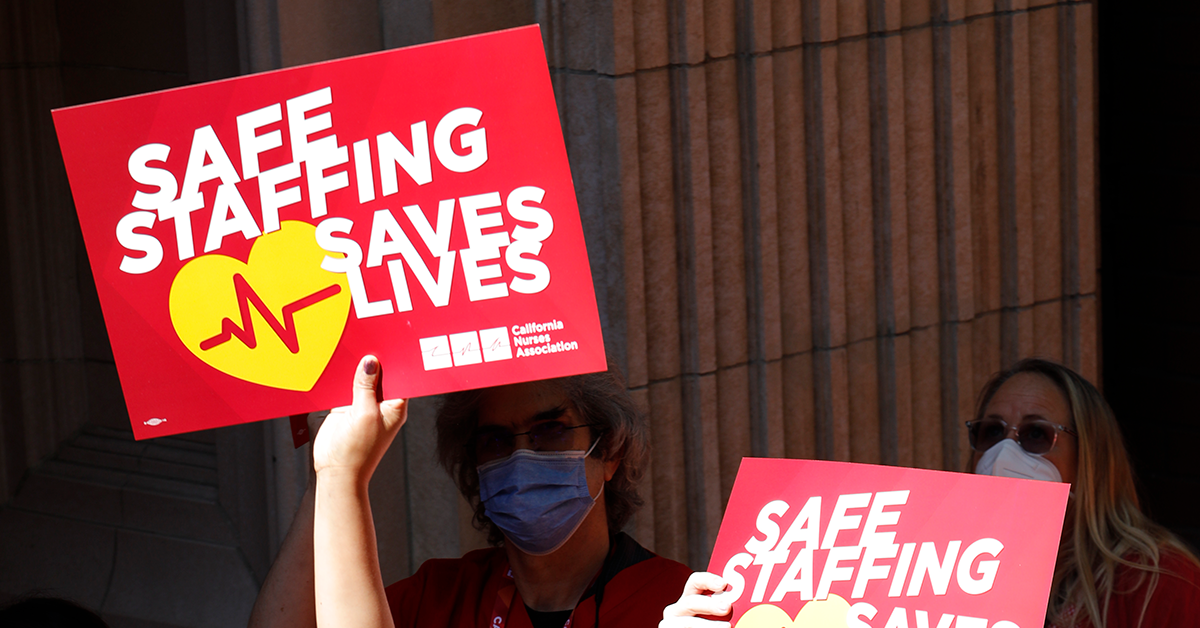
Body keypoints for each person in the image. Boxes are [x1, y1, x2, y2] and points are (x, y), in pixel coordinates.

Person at [660, 358, 1200, 628]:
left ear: (1093, 457)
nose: (1004, 454)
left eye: (1036, 435)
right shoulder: (927, 572)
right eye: (990, 433)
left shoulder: (1157, 580)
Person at [249, 355, 691, 628]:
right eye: (495, 440)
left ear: (610, 451)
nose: (521, 458)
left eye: (549, 430)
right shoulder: (439, 597)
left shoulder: (678, 605)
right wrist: (327, 474)